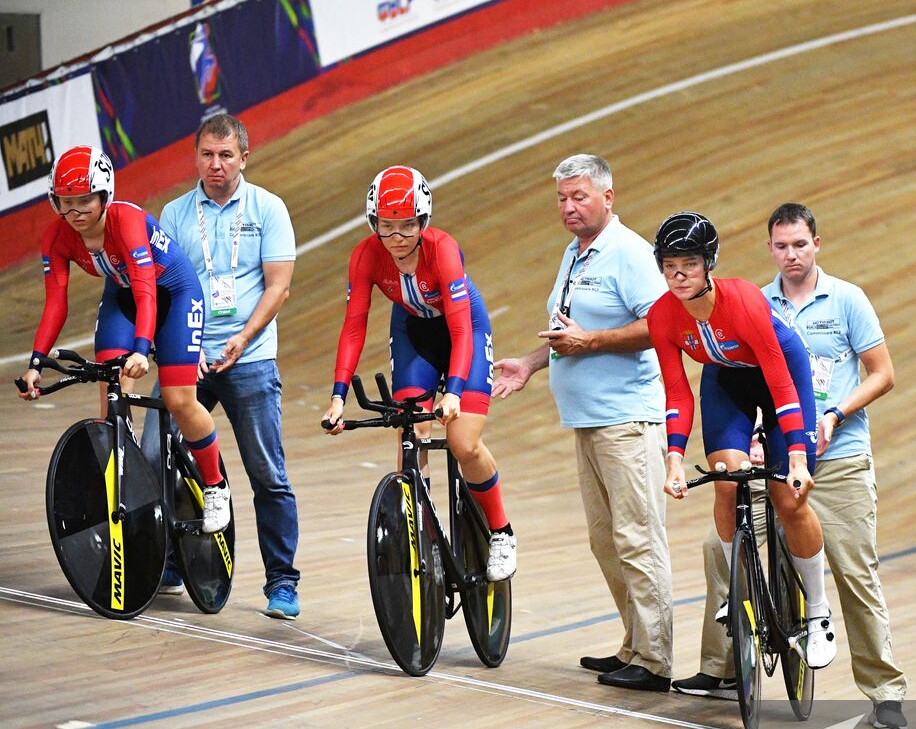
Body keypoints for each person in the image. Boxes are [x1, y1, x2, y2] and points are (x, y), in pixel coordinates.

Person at [673, 204, 903, 728]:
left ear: (816, 243)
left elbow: (883, 373)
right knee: (719, 546)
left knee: (853, 569)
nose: (791, 255)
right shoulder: (750, 300)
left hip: (837, 457)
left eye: (800, 244)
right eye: (780, 246)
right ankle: (725, 668)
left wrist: (836, 412)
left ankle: (885, 690)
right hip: (773, 453)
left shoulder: (847, 300)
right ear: (769, 249)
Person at [492, 154, 673, 691]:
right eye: (562, 198)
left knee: (638, 539)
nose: (569, 207)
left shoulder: (630, 254)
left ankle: (656, 660)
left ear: (608, 197)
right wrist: (528, 362)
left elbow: (662, 327)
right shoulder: (576, 254)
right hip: (589, 421)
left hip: (627, 420)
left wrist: (590, 342)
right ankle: (634, 644)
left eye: (580, 197)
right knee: (606, 540)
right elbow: (565, 330)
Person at [647, 211, 838, 671]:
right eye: (669, 265)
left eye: (689, 265)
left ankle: (816, 611)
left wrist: (796, 457)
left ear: (708, 264)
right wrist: (674, 460)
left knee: (789, 499)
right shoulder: (661, 315)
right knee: (725, 479)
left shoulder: (745, 301)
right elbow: (676, 393)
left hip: (781, 379)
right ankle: (738, 593)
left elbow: (782, 382)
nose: (678, 275)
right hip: (726, 382)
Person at [18, 145, 231, 534]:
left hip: (173, 295)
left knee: (178, 399)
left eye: (85, 201)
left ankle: (215, 486)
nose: (76, 212)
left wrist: (140, 349)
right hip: (123, 296)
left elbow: (148, 288)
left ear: (104, 196)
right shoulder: (57, 237)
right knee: (110, 401)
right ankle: (129, 472)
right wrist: (36, 362)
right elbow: (56, 306)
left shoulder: (127, 220)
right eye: (66, 203)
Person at [323, 165, 516, 581]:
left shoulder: (442, 249)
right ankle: (421, 529)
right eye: (387, 227)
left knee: (464, 444)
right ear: (374, 223)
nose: (396, 238)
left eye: (407, 226)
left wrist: (455, 391)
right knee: (410, 429)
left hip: (462, 329)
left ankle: (501, 530)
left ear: (423, 221)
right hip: (413, 333)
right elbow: (354, 326)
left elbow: (462, 329)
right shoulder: (366, 255)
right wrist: (338, 396)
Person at [154, 114, 301, 619]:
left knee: (267, 474)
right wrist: (181, 344)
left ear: (244, 157)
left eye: (225, 155)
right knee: (164, 459)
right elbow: (161, 288)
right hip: (189, 357)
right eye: (207, 155)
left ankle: (282, 583)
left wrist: (242, 337)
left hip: (250, 357)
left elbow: (278, 285)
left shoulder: (269, 209)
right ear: (196, 158)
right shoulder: (174, 214)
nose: (215, 165)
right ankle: (175, 562)